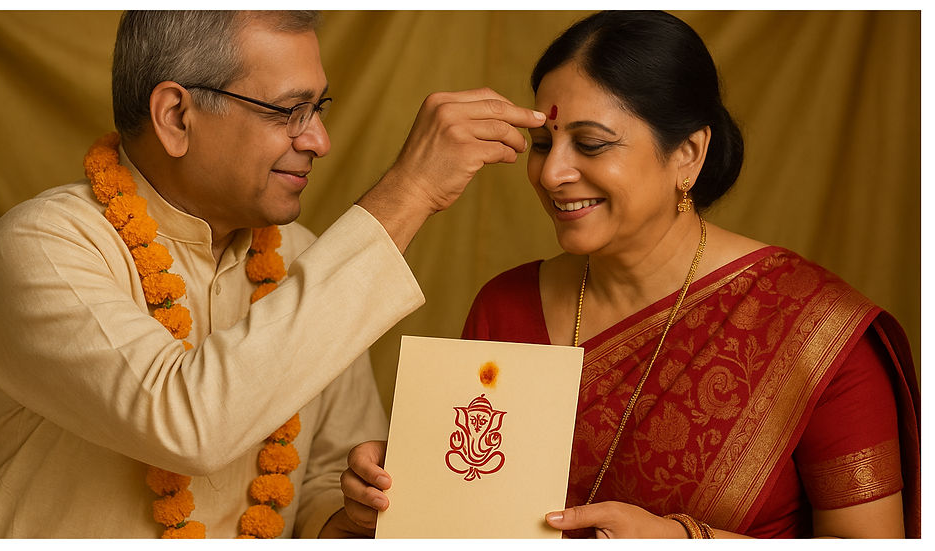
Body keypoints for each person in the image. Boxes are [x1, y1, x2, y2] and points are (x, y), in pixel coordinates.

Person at [340, 11, 920, 538]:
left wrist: (684, 541)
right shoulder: (506, 306)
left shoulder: (816, 333)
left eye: (591, 144)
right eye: (542, 144)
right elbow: (469, 516)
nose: (552, 173)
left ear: (688, 153)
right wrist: (396, 494)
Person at [0, 10, 545, 538]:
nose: (318, 140)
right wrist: (409, 192)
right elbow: (186, 423)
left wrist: (349, 512)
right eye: (288, 111)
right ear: (176, 117)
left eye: (318, 109)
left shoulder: (303, 256)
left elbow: (326, 474)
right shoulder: (46, 244)